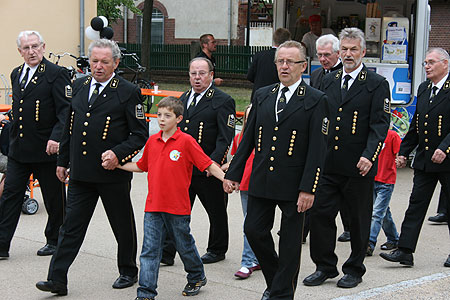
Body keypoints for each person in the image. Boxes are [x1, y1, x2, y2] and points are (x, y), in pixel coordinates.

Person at [36, 39, 148, 296]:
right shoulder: (79, 85)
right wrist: (63, 161)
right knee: (71, 227)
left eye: (104, 62)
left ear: (116, 63)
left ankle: (128, 270)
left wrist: (118, 155)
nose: (98, 66)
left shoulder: (128, 91)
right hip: (82, 173)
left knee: (121, 224)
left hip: (112, 174)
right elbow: (69, 127)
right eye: (94, 61)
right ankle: (57, 279)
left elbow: (139, 134)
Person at [224, 40, 328, 300]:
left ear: (303, 66)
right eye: (280, 61)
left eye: (290, 62)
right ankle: (276, 281)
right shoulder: (264, 94)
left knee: (290, 243)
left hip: (295, 183)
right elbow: (248, 137)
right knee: (254, 231)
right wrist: (234, 173)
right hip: (263, 177)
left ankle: (281, 295)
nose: (283, 66)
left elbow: (318, 150)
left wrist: (309, 188)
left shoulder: (316, 100)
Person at [303, 27, 390, 289]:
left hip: (358, 166)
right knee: (320, 215)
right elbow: (320, 119)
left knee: (358, 220)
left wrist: (369, 156)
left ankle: (354, 268)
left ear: (363, 52)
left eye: (354, 49)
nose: (348, 54)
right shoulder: (328, 80)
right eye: (345, 49)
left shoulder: (376, 84)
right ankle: (325, 266)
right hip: (329, 164)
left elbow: (380, 124)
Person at [118, 97, 226, 300]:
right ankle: (146, 293)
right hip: (153, 206)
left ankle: (196, 275)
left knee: (184, 245)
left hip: (177, 207)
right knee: (149, 251)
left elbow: (207, 164)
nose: (161, 119)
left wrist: (225, 180)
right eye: (159, 115)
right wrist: (117, 164)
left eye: (167, 116)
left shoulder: (186, 142)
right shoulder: (153, 141)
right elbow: (141, 166)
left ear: (179, 119)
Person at [0, 31, 70, 259]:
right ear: (20, 52)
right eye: (26, 48)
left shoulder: (56, 74)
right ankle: (2, 244)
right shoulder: (16, 73)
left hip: (46, 149)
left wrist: (56, 137)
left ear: (43, 46)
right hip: (19, 149)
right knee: (10, 195)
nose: (31, 52)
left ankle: (55, 240)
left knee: (54, 199)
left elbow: (65, 111)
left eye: (35, 46)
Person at [380, 48, 450, 268]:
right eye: (425, 63)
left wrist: (446, 148)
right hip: (425, 160)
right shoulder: (424, 88)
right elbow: (416, 125)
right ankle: (405, 251)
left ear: (445, 64)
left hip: (447, 160)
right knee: (416, 205)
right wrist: (403, 152)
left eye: (431, 62)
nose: (427, 66)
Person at [161, 57, 235, 265]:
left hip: (207, 168)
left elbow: (224, 137)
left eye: (202, 73)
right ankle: (167, 252)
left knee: (216, 210)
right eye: (193, 73)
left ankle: (217, 249)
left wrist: (213, 163)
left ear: (211, 75)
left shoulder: (222, 100)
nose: (197, 78)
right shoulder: (183, 99)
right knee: (176, 211)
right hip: (183, 168)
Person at [306, 33, 350, 243]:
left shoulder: (346, 74)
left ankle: (354, 228)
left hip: (339, 139)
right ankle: (304, 228)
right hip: (316, 135)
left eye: (327, 55)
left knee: (347, 193)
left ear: (338, 53)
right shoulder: (316, 75)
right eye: (319, 55)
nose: (322, 59)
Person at [221, 104, 261, 279]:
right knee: (249, 223)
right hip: (246, 185)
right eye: (248, 116)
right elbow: (237, 159)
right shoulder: (240, 138)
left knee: (257, 224)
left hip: (264, 183)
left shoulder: (268, 136)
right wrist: (228, 173)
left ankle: (254, 258)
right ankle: (248, 261)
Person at [366, 128, 401, 256]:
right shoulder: (371, 135)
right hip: (373, 179)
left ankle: (369, 243)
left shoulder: (392, 135)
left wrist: (400, 159)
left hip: (386, 181)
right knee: (384, 213)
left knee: (376, 213)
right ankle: (393, 238)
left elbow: (399, 153)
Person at [247, 28, 291, 102]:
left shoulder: (259, 55)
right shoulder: (287, 59)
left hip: (258, 96)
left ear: (274, 39)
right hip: (277, 97)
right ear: (288, 41)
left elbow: (250, 76)